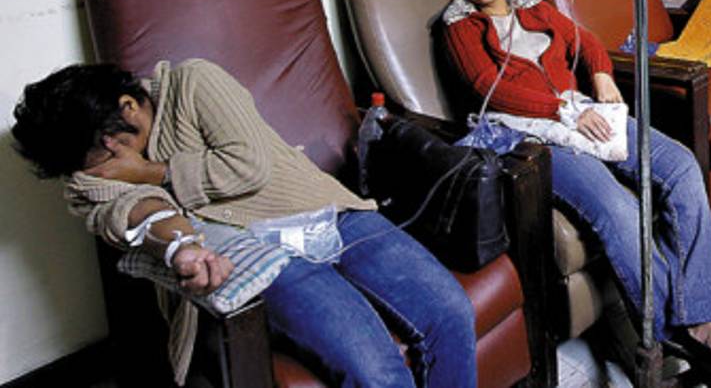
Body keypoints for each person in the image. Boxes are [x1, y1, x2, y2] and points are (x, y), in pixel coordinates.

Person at [11, 59, 477, 388]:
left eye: (108, 151)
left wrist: (151, 172)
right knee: (374, 371)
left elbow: (249, 166)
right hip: (267, 261)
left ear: (128, 106)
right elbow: (121, 212)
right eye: (92, 162)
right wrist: (177, 244)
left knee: (450, 313)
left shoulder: (193, 83)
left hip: (332, 215)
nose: (106, 165)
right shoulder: (88, 168)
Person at [438, 0, 711, 388]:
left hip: (582, 110)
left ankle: (701, 319)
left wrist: (601, 74)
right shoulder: (459, 27)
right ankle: (679, 333)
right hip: (534, 135)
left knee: (681, 166)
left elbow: (583, 40)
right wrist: (563, 111)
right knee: (618, 208)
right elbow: (491, 87)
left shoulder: (534, 8)